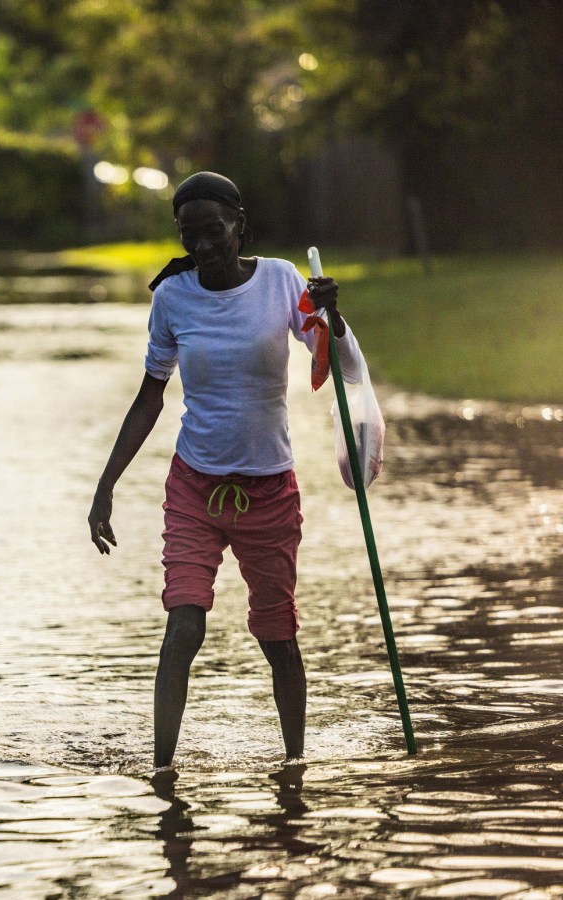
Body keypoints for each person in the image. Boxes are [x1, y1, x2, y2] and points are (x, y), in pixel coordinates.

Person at [86, 172, 364, 782]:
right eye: (190, 235)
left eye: (214, 231)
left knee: (278, 637)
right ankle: (162, 772)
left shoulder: (281, 280)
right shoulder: (172, 297)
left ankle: (294, 766)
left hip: (269, 490)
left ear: (239, 224)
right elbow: (150, 397)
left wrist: (331, 316)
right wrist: (105, 486)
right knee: (183, 626)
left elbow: (339, 364)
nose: (203, 246)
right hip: (194, 486)